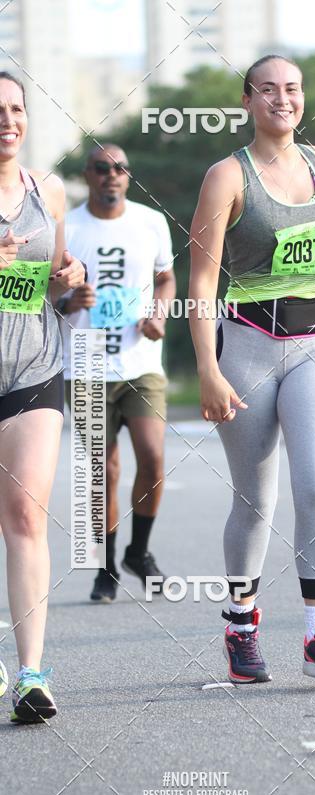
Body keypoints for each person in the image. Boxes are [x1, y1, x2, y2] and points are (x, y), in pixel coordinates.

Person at [188, 55, 315, 684]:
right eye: (268, 90)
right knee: (255, 499)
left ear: (303, 96)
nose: (282, 100)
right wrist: (208, 373)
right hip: (247, 345)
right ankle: (241, 627)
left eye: (291, 88)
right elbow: (203, 281)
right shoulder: (226, 176)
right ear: (248, 101)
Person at [0, 72, 86, 722]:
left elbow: (55, 288)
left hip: (34, 371)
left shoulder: (45, 191)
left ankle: (32, 674)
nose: (8, 120)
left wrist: (73, 287)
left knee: (27, 517)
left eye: (16, 108)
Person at [58, 144, 176, 604]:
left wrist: (159, 314)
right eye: (102, 169)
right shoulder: (67, 227)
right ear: (88, 175)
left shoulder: (150, 222)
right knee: (102, 471)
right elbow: (47, 293)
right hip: (84, 359)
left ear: (129, 176)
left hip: (141, 362)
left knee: (152, 459)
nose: (112, 175)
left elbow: (165, 277)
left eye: (121, 168)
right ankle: (105, 568)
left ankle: (138, 552)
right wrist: (69, 302)